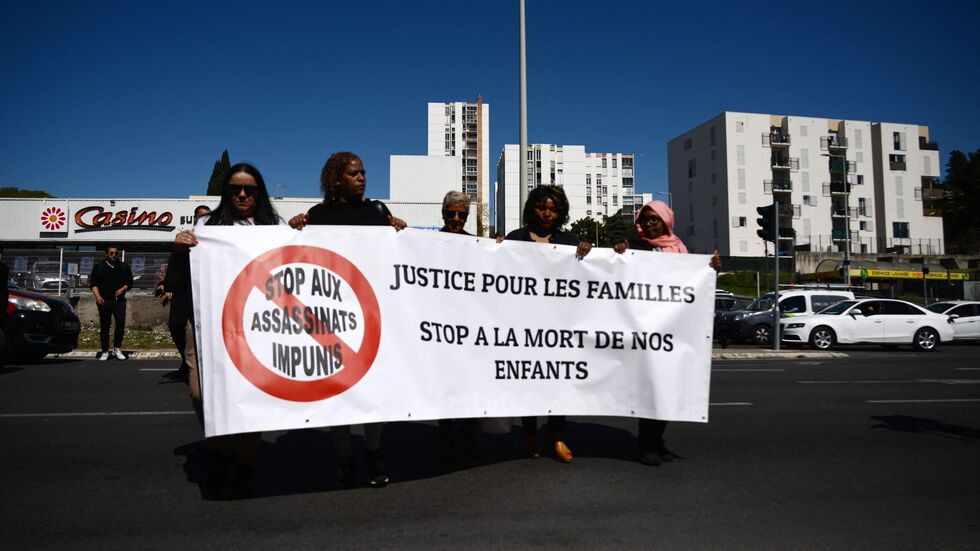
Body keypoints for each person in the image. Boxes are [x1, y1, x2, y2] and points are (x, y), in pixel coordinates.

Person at [289, 151, 404, 488]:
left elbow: (397, 254)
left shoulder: (377, 212)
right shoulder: (318, 215)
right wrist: (295, 229)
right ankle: (343, 458)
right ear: (336, 178)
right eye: (354, 173)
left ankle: (373, 453)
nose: (362, 178)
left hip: (373, 311)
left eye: (364, 172)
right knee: (339, 391)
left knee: (374, 390)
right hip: (334, 314)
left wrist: (397, 228)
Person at [174, 163, 285, 498]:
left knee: (249, 397)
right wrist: (180, 246)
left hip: (256, 326)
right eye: (235, 188)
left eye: (249, 189)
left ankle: (244, 467)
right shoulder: (207, 226)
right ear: (226, 192)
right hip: (208, 321)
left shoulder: (274, 226)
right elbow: (185, 273)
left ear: (259, 192)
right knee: (200, 393)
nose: (241, 194)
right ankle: (220, 452)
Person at [613, 200, 721, 467]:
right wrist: (619, 252)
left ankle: (658, 441)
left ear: (666, 220)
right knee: (652, 390)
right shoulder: (634, 247)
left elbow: (693, 284)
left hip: (672, 331)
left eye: (655, 219)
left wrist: (711, 269)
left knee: (668, 389)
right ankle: (647, 445)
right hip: (644, 331)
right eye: (645, 218)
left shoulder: (679, 249)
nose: (649, 224)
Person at [500, 185, 592, 463]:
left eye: (553, 209)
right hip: (524, 326)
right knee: (528, 380)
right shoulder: (515, 239)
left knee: (558, 381)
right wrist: (493, 250)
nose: (547, 213)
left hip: (559, 327)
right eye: (542, 207)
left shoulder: (568, 243)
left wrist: (587, 252)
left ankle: (555, 434)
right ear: (532, 208)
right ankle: (530, 432)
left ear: (561, 212)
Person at [435, 191, 480, 469]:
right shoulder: (428, 242)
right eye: (451, 213)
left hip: (469, 327)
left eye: (461, 215)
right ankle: (446, 444)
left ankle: (468, 441)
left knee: (469, 386)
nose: (456, 219)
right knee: (443, 388)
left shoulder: (476, 244)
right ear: (443, 214)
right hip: (439, 327)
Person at [159, 205, 211, 382]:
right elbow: (174, 265)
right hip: (183, 291)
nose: (203, 220)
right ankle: (187, 360)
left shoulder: (215, 239)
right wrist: (166, 287)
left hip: (205, 291)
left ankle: (201, 367)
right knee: (175, 326)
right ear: (194, 218)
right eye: (200, 217)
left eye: (207, 217)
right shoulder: (184, 238)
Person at [89, 245, 133, 361]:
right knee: (105, 325)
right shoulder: (99, 267)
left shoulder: (123, 266)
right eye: (111, 253)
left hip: (119, 301)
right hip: (104, 300)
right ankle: (105, 351)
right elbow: (93, 284)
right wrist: (98, 297)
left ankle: (117, 348)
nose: (114, 255)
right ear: (106, 254)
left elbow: (130, 283)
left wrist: (123, 289)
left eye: (116, 253)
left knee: (120, 323)